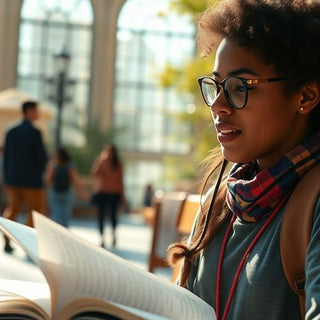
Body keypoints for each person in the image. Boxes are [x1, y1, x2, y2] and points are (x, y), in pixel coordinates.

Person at [168, 1, 320, 319]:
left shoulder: (314, 204)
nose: (218, 105)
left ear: (305, 96)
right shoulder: (219, 202)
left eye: (240, 87)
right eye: (215, 86)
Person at [2, 100, 48, 253]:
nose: (38, 114)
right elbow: (41, 157)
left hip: (14, 179)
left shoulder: (11, 131)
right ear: (29, 111)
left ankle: (7, 238)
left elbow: (6, 157)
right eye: (36, 110)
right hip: (32, 181)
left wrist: (7, 178)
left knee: (13, 209)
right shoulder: (34, 132)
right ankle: (26, 240)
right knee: (36, 211)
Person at [91, 144, 125, 248]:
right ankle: (102, 237)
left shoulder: (118, 164)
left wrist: (123, 195)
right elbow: (94, 173)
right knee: (101, 216)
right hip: (102, 193)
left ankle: (114, 234)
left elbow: (121, 181)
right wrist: (100, 160)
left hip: (114, 193)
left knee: (113, 216)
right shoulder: (102, 161)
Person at [45, 147, 88, 227]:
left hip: (59, 193)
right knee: (61, 217)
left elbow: (48, 180)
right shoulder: (69, 165)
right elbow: (75, 181)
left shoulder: (54, 165)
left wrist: (83, 194)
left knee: (59, 217)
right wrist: (83, 194)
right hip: (63, 194)